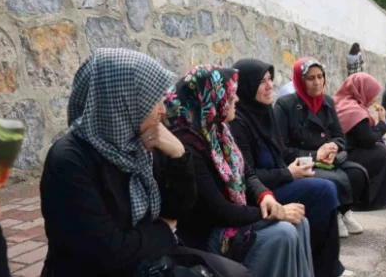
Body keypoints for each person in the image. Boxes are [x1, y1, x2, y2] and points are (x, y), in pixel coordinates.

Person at [40, 49, 250, 277]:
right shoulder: (69, 161)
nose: (162, 110)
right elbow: (108, 252)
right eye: (153, 101)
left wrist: (179, 155)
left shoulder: (142, 142)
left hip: (149, 259)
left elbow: (178, 208)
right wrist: (163, 231)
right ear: (122, 102)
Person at [164, 64, 313, 277]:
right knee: (283, 232)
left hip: (230, 218)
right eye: (230, 95)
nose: (237, 100)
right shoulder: (188, 145)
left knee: (300, 222)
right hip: (207, 233)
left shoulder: (219, 131)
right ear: (211, 99)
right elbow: (219, 210)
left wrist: (265, 197)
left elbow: (247, 173)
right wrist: (274, 213)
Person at [230, 58, 353, 277]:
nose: (270, 86)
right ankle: (327, 268)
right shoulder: (240, 122)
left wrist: (332, 147)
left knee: (341, 180)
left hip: (280, 178)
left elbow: (279, 153)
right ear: (246, 86)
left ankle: (322, 265)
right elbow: (248, 176)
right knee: (324, 190)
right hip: (259, 194)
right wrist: (292, 171)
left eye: (270, 79)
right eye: (262, 82)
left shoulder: (264, 112)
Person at [275, 57, 368, 238]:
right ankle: (333, 213)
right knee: (332, 181)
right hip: (302, 163)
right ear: (300, 81)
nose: (317, 82)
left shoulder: (327, 102)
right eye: (311, 78)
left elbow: (340, 136)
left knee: (359, 173)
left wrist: (333, 147)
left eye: (320, 77)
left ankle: (344, 210)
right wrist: (315, 154)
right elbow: (282, 149)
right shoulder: (285, 106)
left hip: (329, 161)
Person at [334, 72, 386, 209]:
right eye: (372, 93)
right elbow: (368, 139)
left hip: (346, 150)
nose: (374, 98)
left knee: (381, 151)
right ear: (361, 90)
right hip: (346, 154)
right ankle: (371, 199)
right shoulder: (354, 111)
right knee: (383, 154)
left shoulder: (343, 102)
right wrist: (382, 123)